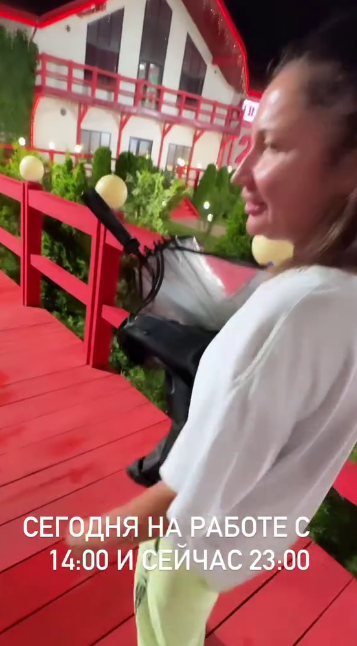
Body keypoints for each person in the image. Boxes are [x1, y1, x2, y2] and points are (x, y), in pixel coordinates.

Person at [67, 12, 357, 645]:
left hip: (191, 548)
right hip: (244, 541)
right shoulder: (340, 296)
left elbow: (196, 486)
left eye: (273, 146)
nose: (241, 172)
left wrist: (103, 531)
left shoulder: (298, 308)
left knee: (165, 624)